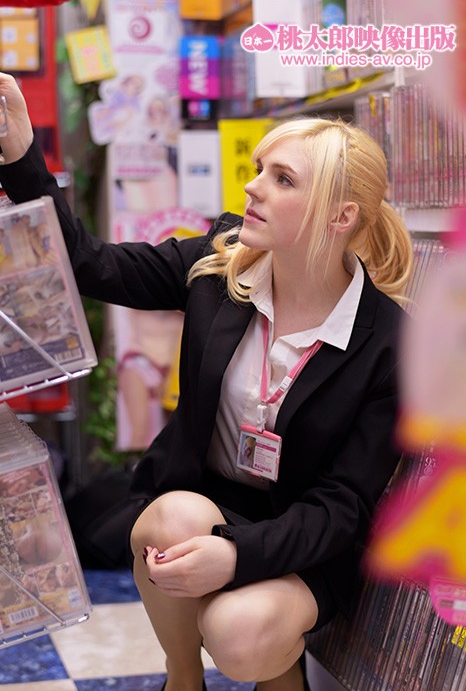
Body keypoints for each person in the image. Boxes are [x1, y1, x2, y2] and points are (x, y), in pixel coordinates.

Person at [0, 71, 412, 691]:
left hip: (307, 539)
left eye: (282, 179)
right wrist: (20, 154)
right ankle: (182, 675)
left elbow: (343, 505)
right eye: (260, 168)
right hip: (206, 504)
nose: (253, 186)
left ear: (340, 216)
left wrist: (239, 556)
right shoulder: (220, 264)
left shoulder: (388, 342)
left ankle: (278, 670)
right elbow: (92, 263)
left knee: (240, 636)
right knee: (170, 520)